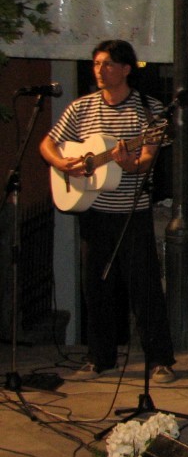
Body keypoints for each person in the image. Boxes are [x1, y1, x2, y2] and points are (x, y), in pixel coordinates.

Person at [39, 39, 176, 383]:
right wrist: (62, 165)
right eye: (97, 63)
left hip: (131, 211)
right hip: (93, 209)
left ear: (126, 69)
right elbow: (48, 143)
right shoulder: (81, 107)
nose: (100, 70)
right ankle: (100, 358)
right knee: (95, 286)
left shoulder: (149, 110)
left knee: (144, 288)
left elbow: (146, 161)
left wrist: (128, 164)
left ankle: (159, 360)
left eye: (108, 64)